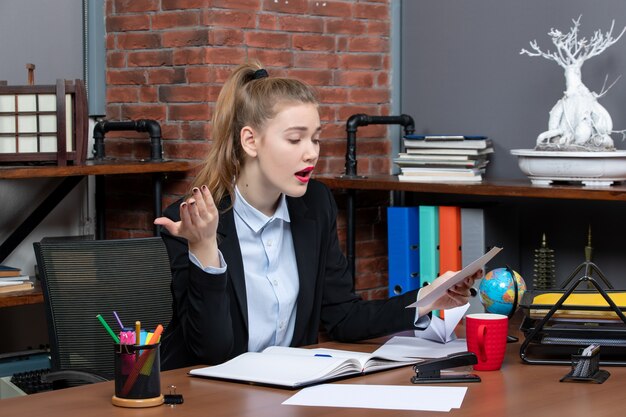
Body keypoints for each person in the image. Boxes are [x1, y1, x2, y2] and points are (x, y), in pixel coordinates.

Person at [155, 61, 478, 370]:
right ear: (250, 141)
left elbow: (342, 317)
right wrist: (205, 249)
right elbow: (210, 350)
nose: (311, 152)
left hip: (291, 393)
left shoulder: (315, 204)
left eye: (316, 138)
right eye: (295, 139)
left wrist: (428, 298)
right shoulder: (191, 221)